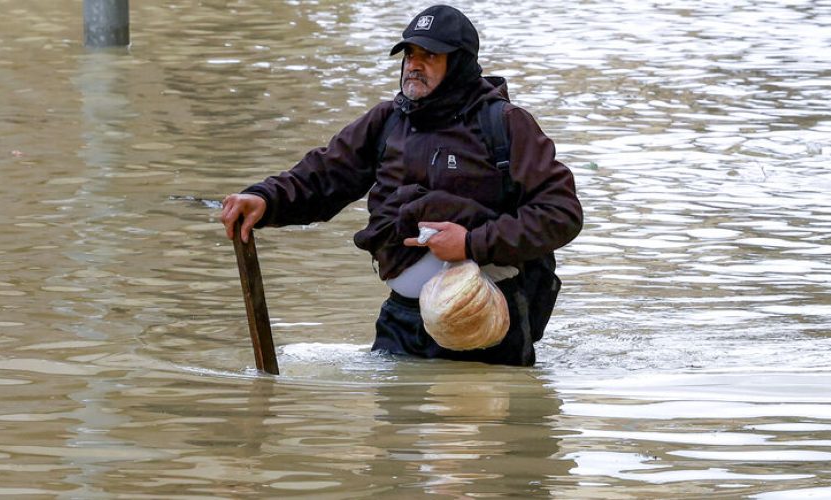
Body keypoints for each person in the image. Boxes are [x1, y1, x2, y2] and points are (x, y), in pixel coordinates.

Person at [220, 4, 583, 366]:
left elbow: (560, 213)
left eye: (430, 55)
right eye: (409, 53)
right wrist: (264, 198)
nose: (414, 64)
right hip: (401, 322)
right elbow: (323, 175)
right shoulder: (387, 121)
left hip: (486, 321)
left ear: (459, 64)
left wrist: (472, 243)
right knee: (396, 421)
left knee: (486, 421)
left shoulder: (505, 124)